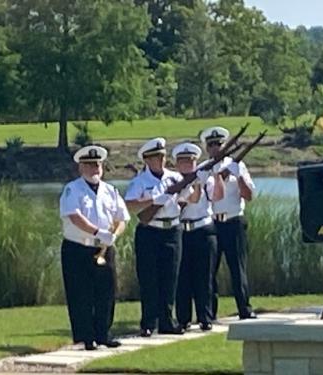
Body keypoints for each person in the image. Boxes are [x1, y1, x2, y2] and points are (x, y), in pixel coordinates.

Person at [59, 145, 129, 350]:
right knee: (81, 293)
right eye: (89, 165)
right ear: (81, 167)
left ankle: (103, 334)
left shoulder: (111, 191)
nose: (94, 168)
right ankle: (86, 337)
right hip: (78, 248)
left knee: (106, 292)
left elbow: (122, 217)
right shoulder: (73, 189)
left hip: (105, 248)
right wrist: (98, 232)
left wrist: (113, 235)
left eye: (97, 164)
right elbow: (74, 216)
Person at [124, 138, 192, 337]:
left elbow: (187, 199)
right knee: (149, 278)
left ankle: (167, 321)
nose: (160, 160)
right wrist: (154, 200)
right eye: (155, 157)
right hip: (150, 231)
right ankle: (148, 322)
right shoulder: (140, 182)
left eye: (162, 156)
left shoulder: (174, 178)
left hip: (172, 229)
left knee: (170, 277)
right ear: (146, 159)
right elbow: (131, 205)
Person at [200, 126, 257, 320]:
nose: (216, 147)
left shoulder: (237, 165)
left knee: (237, 269)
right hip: (212, 224)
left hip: (233, 222)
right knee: (209, 272)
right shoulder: (204, 169)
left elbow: (249, 196)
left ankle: (245, 309)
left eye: (219, 143)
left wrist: (237, 175)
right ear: (207, 148)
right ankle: (210, 314)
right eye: (212, 144)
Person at [172, 142, 224, 331]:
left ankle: (205, 317)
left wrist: (216, 173)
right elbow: (187, 200)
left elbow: (218, 196)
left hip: (203, 229)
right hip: (182, 231)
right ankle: (183, 319)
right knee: (182, 278)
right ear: (177, 163)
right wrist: (195, 185)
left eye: (191, 161)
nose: (187, 164)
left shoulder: (206, 178)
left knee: (205, 276)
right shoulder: (174, 182)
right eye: (183, 161)